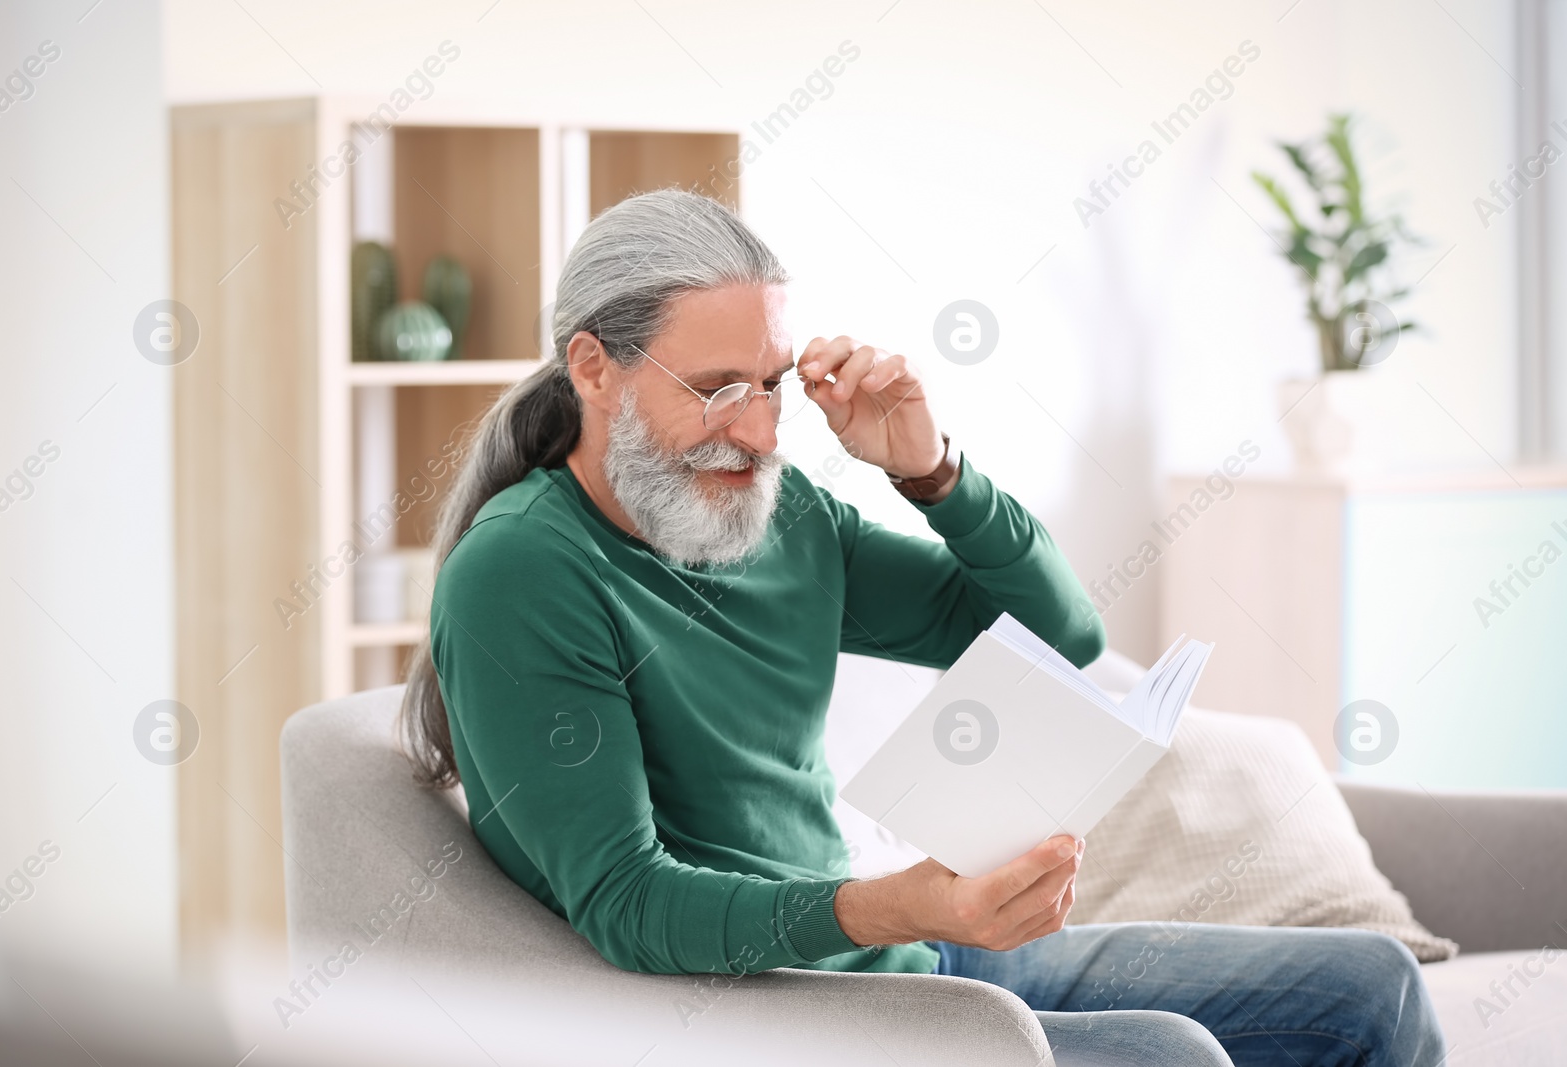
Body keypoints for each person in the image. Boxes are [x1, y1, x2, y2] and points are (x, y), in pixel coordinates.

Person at [399, 189, 1446, 1066]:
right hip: (777, 1012)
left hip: (913, 962)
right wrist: (901, 906)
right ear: (591, 367)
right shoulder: (525, 570)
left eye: (770, 386)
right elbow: (630, 903)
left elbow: (1060, 629)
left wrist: (929, 468)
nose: (759, 434)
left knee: (1373, 987)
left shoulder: (777, 514)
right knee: (1172, 1057)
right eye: (717, 391)